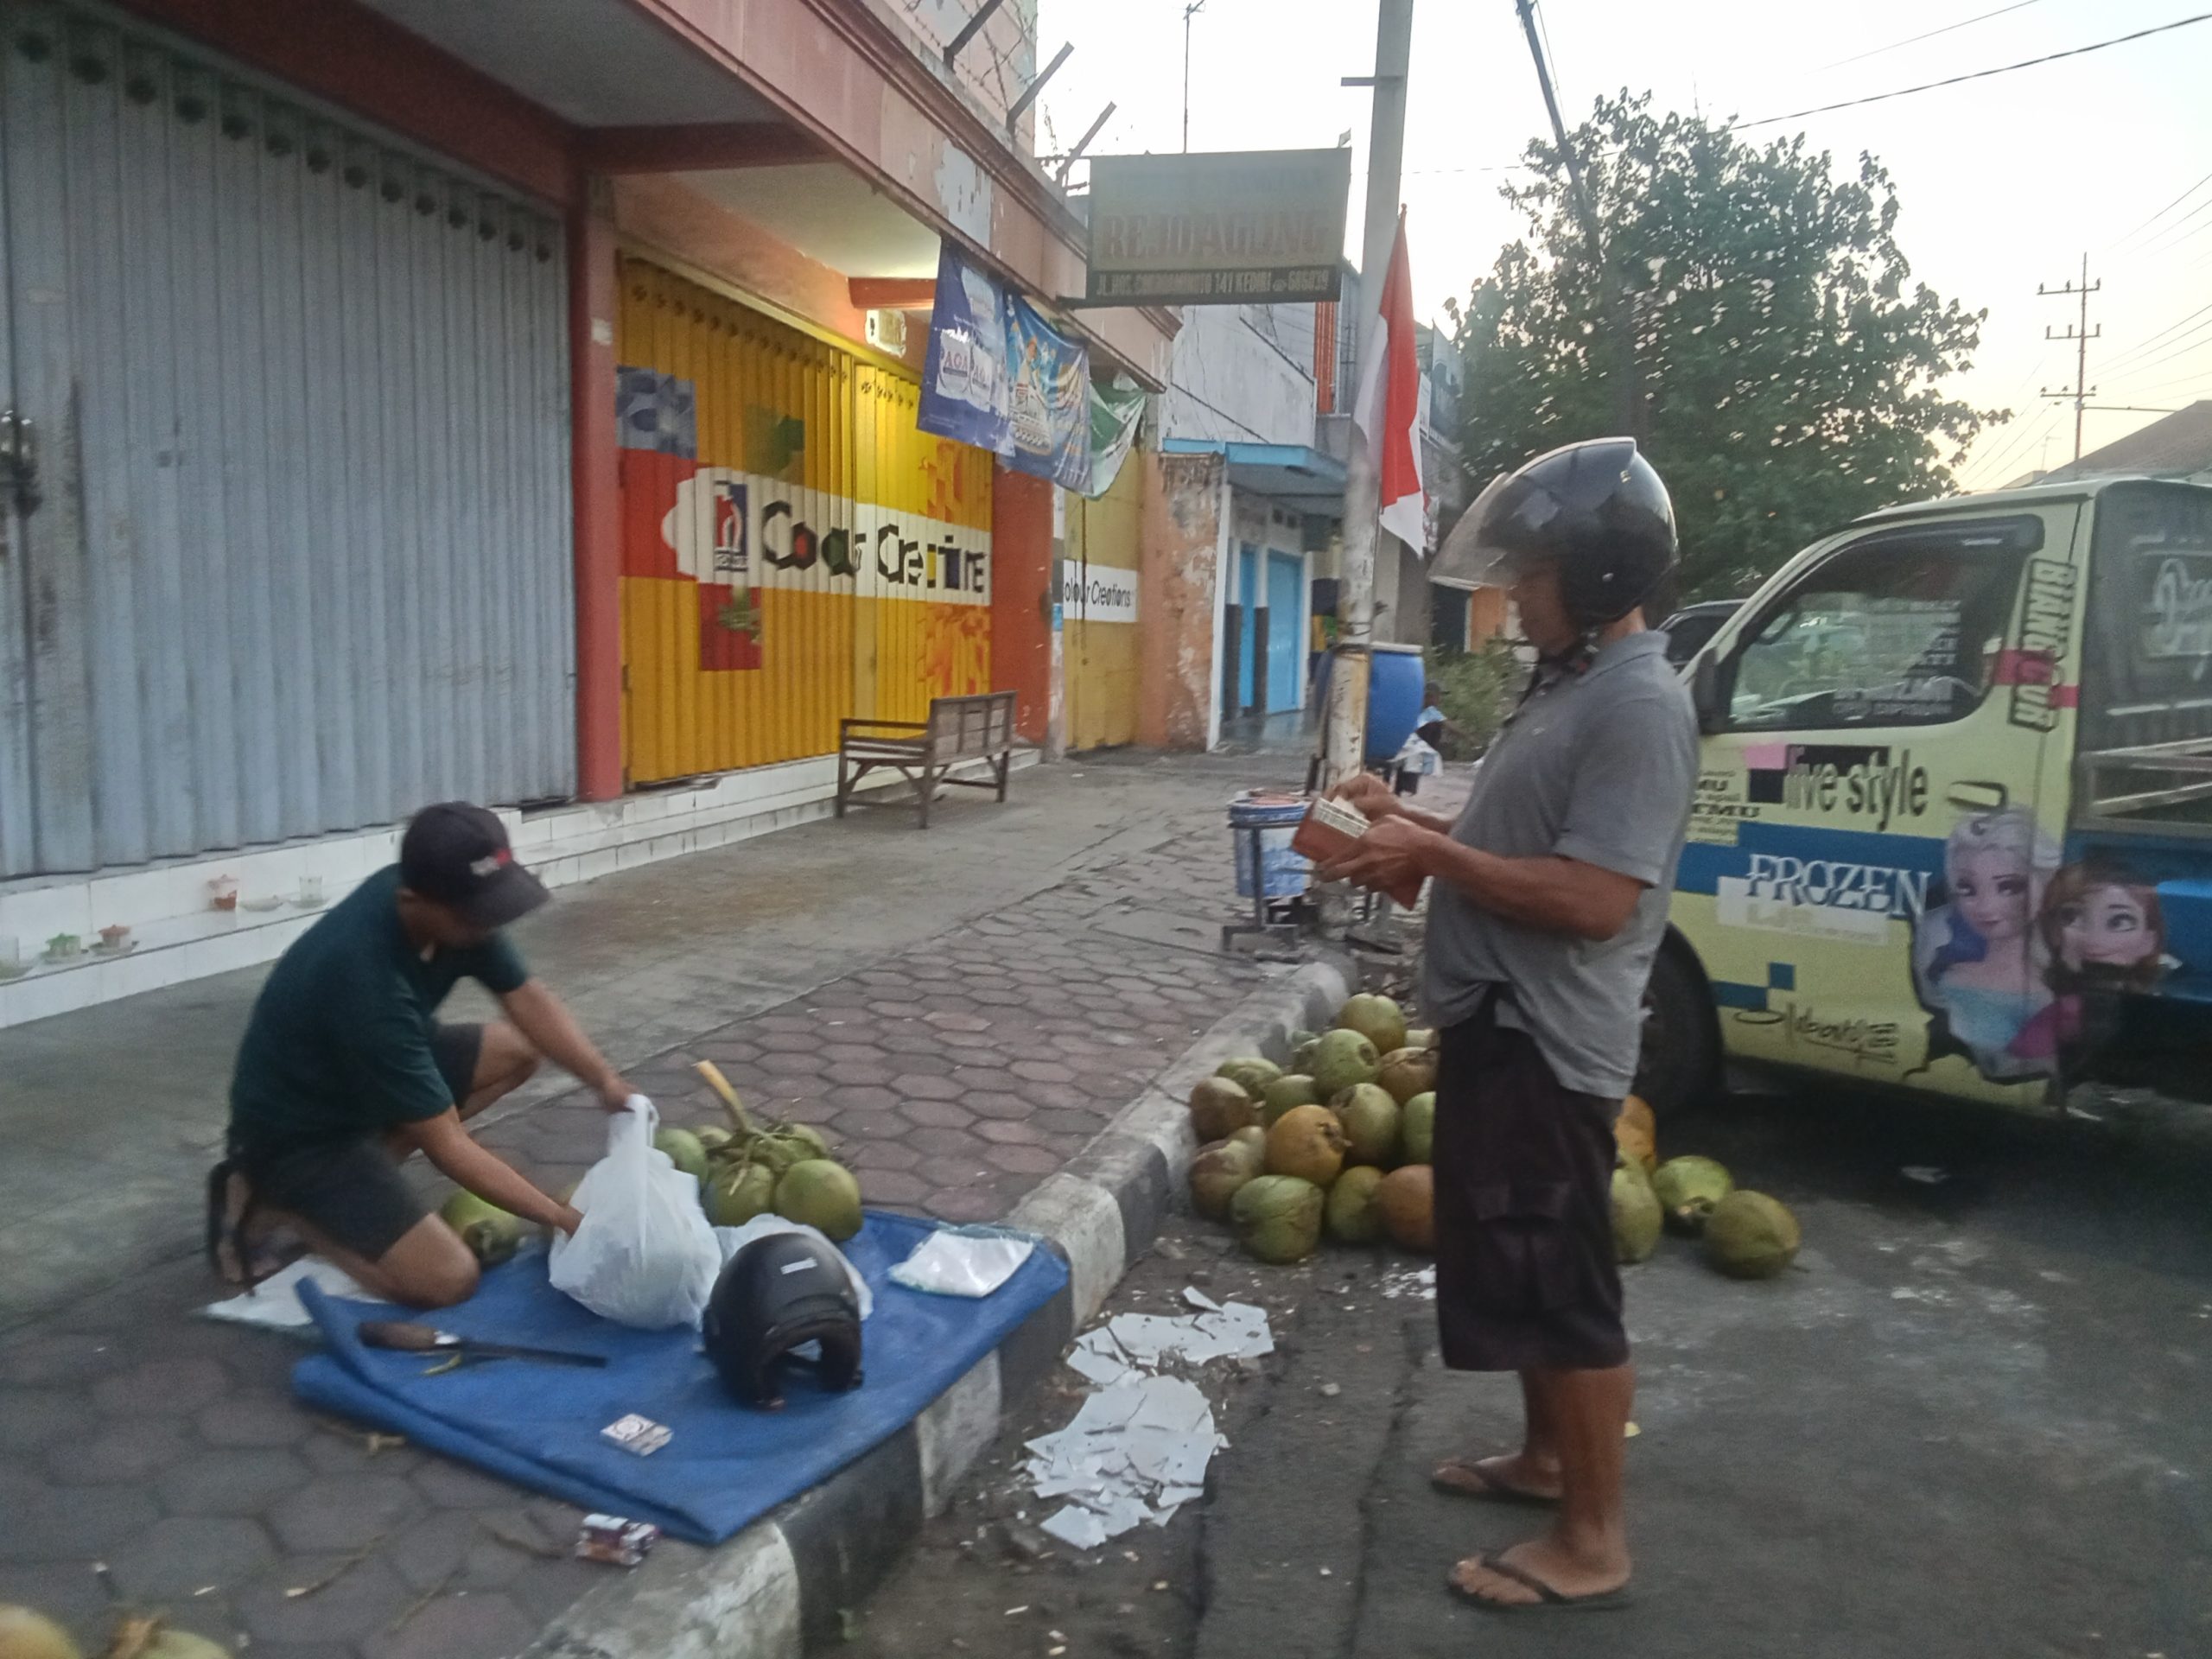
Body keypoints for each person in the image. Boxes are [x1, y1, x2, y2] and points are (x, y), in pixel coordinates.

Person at [1319, 437, 1696, 1612]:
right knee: (1521, 1265)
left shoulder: (1638, 706)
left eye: (1532, 574)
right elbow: (1513, 849)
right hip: (1497, 1028)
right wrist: (1407, 825)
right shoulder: (1569, 688)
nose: (1516, 593)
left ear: (1591, 577)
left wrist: (1434, 852)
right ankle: (1543, 1466)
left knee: (1565, 1280)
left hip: (1547, 1039)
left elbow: (1593, 900)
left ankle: (1594, 1541)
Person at [211, 802, 634, 1309]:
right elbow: (448, 1147)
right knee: (447, 1279)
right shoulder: (366, 980)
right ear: (413, 899)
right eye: (477, 914)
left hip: (359, 1081)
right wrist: (562, 1220)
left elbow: (527, 997)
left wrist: (604, 1080)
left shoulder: (448, 902)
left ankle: (367, 1179)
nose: (487, 925)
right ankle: (284, 1205)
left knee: (518, 1052)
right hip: (299, 1136)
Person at [1910, 808, 2056, 1077]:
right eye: (1967, 888)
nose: (1986, 908)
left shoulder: (2060, 978)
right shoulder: (1948, 976)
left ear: (2046, 882)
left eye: (2009, 886)